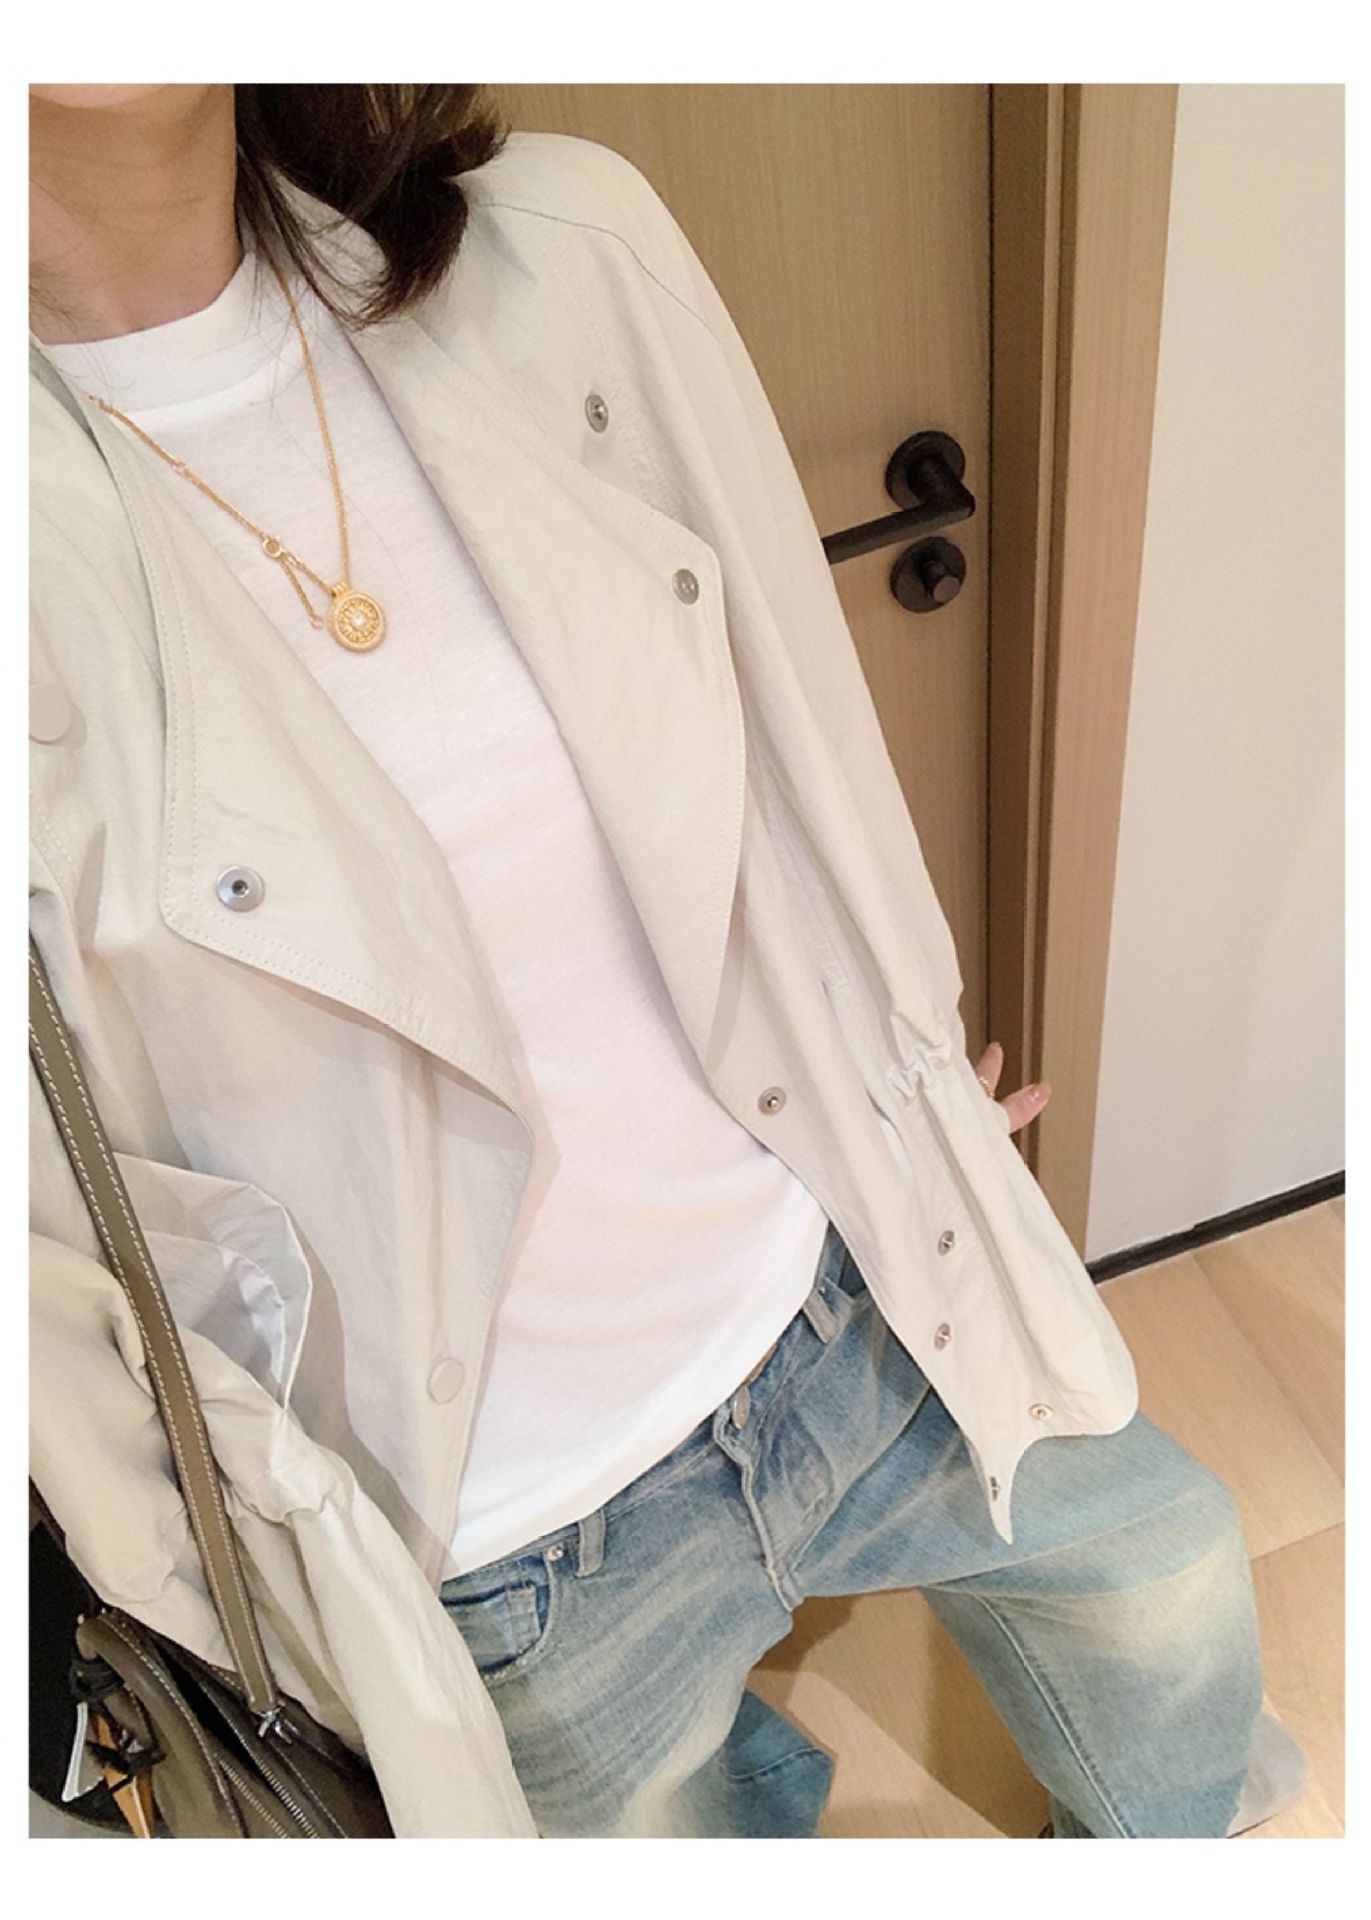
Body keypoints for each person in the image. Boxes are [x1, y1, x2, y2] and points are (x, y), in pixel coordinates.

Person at [28, 82, 1307, 1839]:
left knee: (1162, 1568)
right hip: (505, 1541)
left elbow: (800, 748)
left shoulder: (560, 247)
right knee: (685, 1821)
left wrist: (901, 1078)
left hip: (844, 1296)